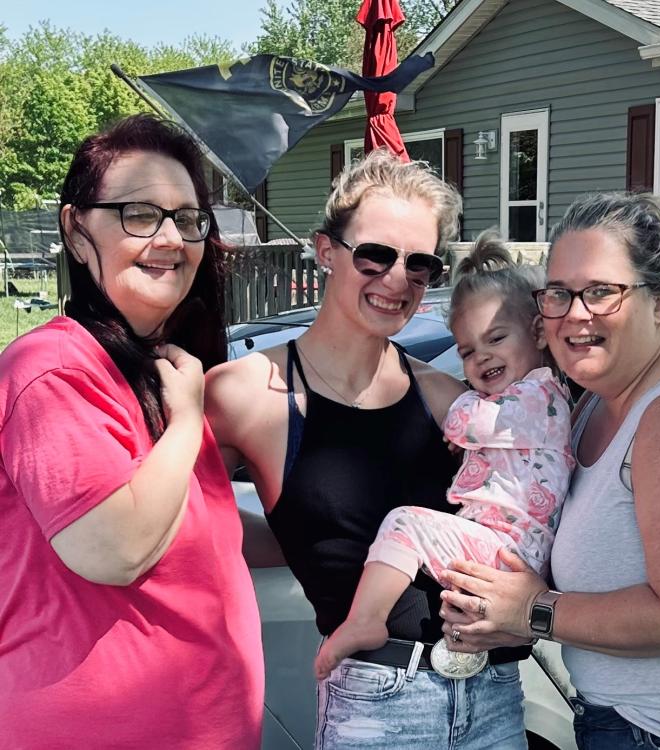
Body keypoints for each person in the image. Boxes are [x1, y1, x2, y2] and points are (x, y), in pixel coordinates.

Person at [206, 150, 534, 750]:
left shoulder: (448, 399)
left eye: (420, 264)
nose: (396, 279)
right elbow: (175, 523)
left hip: (494, 693)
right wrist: (299, 535)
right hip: (379, 704)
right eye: (375, 254)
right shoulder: (246, 394)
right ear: (326, 251)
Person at [438, 193, 660, 750]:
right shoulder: (589, 410)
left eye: (602, 292)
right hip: (623, 724)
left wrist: (530, 609)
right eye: (559, 294)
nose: (575, 314)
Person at [0, 114, 264, 749]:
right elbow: (114, 549)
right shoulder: (52, 369)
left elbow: (199, 535)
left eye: (188, 218)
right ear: (75, 227)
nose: (171, 238)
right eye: (139, 214)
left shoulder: (157, 369)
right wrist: (186, 423)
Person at [314, 232, 574, 680]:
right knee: (459, 617)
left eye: (495, 339)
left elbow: (462, 423)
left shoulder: (540, 394)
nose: (481, 359)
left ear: (536, 332)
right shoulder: (526, 399)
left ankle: (365, 619)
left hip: (507, 552)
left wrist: (464, 415)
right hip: (508, 551)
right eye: (468, 351)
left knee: (404, 524)